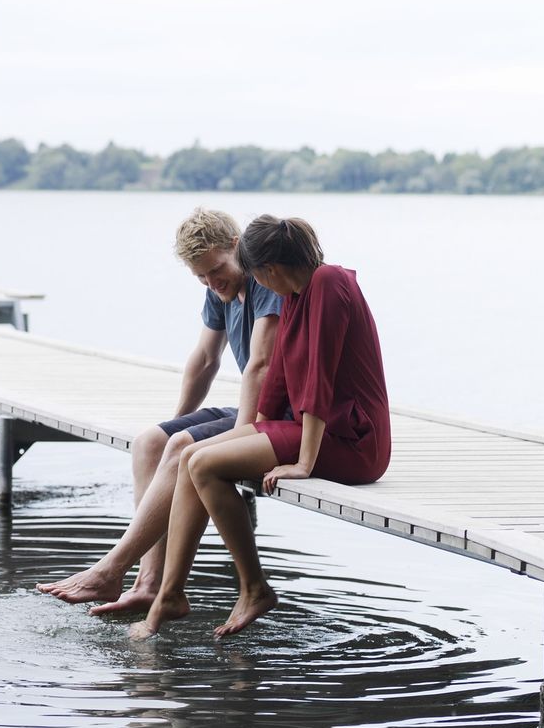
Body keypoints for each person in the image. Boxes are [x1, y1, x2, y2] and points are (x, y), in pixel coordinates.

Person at [128, 215, 391, 639]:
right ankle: (169, 596)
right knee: (194, 456)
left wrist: (303, 464)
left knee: (205, 465)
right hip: (314, 431)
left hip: (353, 439)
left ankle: (253, 588)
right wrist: (253, 432)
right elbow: (280, 378)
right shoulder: (297, 296)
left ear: (269, 269)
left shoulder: (328, 283)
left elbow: (319, 380)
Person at [37, 207, 281, 613]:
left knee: (182, 448)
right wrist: (174, 424)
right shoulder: (218, 290)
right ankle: (149, 583)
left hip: (275, 415)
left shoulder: (264, 283)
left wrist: (239, 436)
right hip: (248, 407)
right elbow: (205, 359)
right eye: (200, 277)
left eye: (216, 269)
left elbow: (261, 365)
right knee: (152, 441)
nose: (212, 282)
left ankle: (111, 570)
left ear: (236, 246)